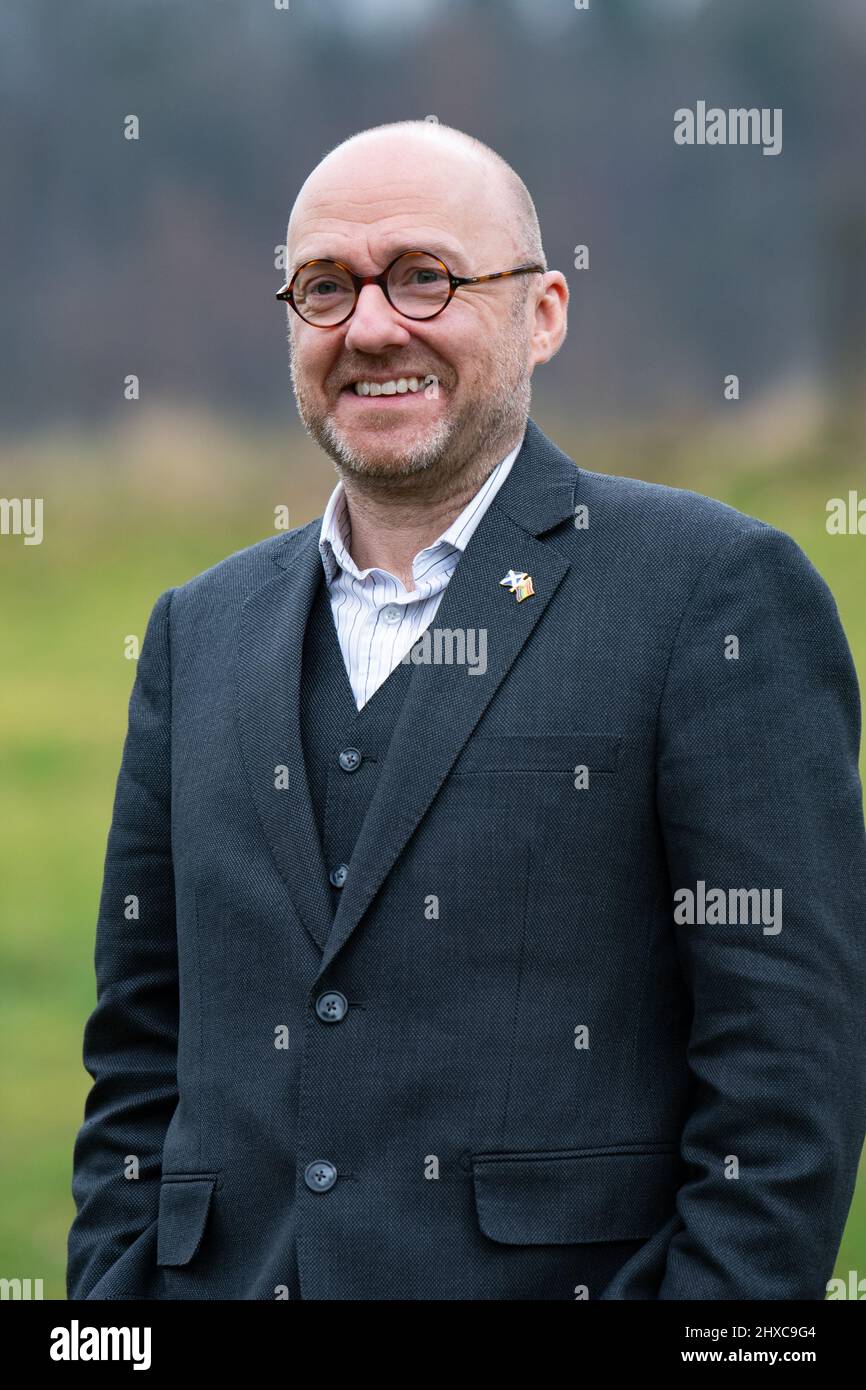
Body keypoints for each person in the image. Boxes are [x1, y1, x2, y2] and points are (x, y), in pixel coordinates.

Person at [67, 119, 866, 1301]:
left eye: (425, 276)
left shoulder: (711, 591)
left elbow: (786, 1073)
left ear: (541, 312)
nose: (373, 326)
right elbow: (138, 1051)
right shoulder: (197, 629)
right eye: (325, 287)